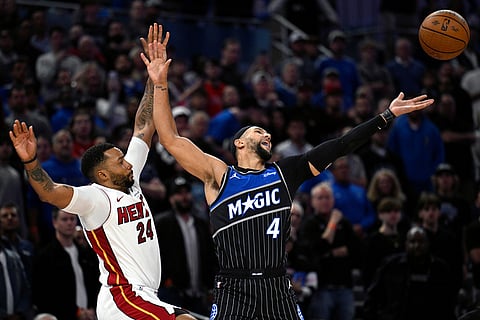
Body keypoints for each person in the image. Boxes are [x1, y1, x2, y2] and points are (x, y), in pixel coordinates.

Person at [142, 23, 434, 319]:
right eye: (259, 131)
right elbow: (171, 139)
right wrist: (160, 83)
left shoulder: (285, 172)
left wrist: (386, 116)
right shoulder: (220, 175)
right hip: (233, 285)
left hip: (277, 284)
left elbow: (342, 144)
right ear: (239, 142)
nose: (267, 135)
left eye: (268, 133)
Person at [9, 24, 196, 320]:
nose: (127, 162)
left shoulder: (129, 179)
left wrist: (154, 79)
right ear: (103, 176)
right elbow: (49, 193)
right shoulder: (95, 200)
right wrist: (31, 161)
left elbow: (144, 126)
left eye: (123, 157)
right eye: (119, 161)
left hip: (146, 294)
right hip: (123, 295)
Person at [363, 226, 456, 320]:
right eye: (412, 242)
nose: (417, 246)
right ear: (406, 244)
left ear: (428, 244)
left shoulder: (440, 268)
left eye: (421, 242)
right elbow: (372, 297)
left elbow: (447, 303)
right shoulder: (390, 266)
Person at [155, 176, 217, 316]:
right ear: (171, 198)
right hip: (172, 292)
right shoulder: (161, 223)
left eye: (186, 192)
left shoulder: (200, 222)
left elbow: (210, 255)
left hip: (198, 293)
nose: (184, 197)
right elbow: (155, 256)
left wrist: (209, 286)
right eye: (179, 193)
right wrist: (165, 281)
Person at [298, 182, 361, 320]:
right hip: (322, 286)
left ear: (333, 200)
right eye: (320, 198)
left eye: (327, 197)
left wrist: (330, 250)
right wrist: (332, 223)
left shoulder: (344, 223)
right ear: (312, 202)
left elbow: (356, 248)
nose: (325, 201)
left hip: (345, 285)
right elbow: (317, 248)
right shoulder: (309, 224)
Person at [32, 208, 100, 320]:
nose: (69, 223)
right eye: (64, 219)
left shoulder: (86, 254)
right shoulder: (44, 257)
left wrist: (93, 308)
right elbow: (44, 294)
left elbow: (95, 283)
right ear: (54, 222)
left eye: (72, 219)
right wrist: (76, 312)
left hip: (90, 314)